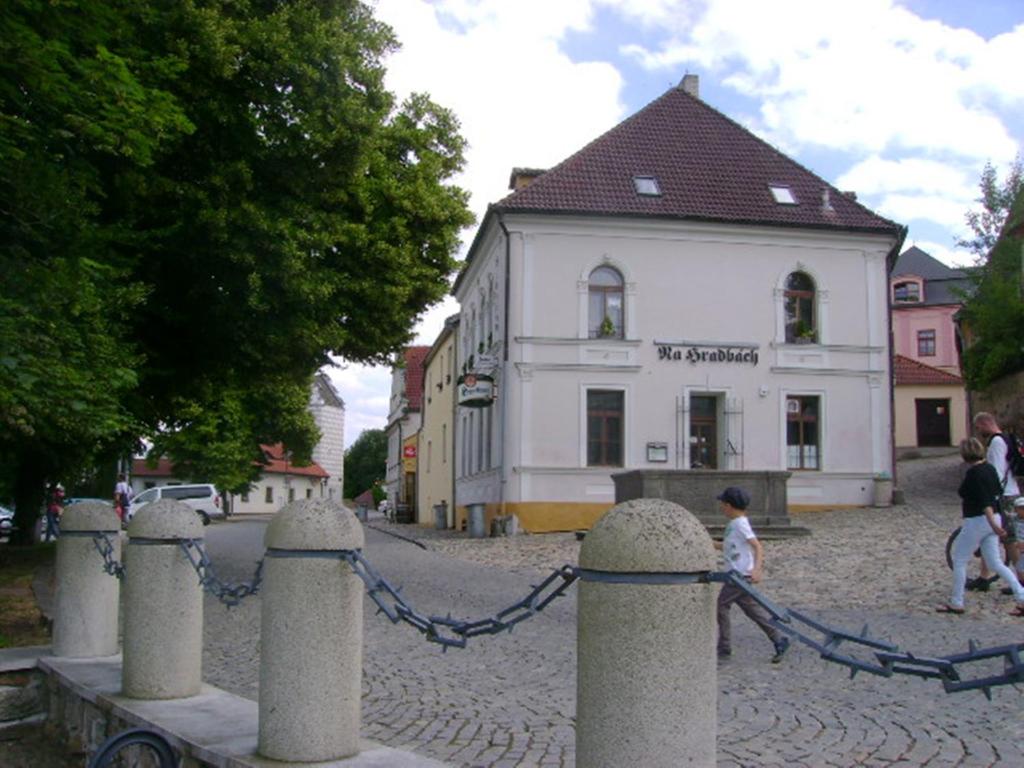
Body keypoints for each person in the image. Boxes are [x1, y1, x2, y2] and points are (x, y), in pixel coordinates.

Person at [937, 437, 1024, 616]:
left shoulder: (974, 474)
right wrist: (996, 525)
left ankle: (957, 601)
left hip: (978, 520)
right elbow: (996, 494)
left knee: (960, 560)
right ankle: (1022, 596)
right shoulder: (990, 469)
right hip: (995, 518)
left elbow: (985, 503)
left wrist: (993, 525)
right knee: (996, 563)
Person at [715, 486, 790, 662]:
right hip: (737, 576)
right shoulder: (734, 524)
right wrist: (706, 541)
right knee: (753, 611)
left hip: (739, 576)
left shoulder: (740, 523)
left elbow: (757, 546)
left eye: (723, 504)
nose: (721, 508)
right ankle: (779, 640)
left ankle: (724, 647)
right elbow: (726, 546)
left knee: (720, 606)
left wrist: (757, 569)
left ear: (728, 505)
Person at [968, 413, 1020, 591]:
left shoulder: (997, 443)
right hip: (1009, 492)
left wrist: (987, 494)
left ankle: (1021, 580)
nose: (978, 432)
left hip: (1003, 496)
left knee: (1009, 540)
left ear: (984, 424)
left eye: (978, 428)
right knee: (988, 534)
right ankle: (984, 577)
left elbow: (996, 473)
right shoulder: (1006, 439)